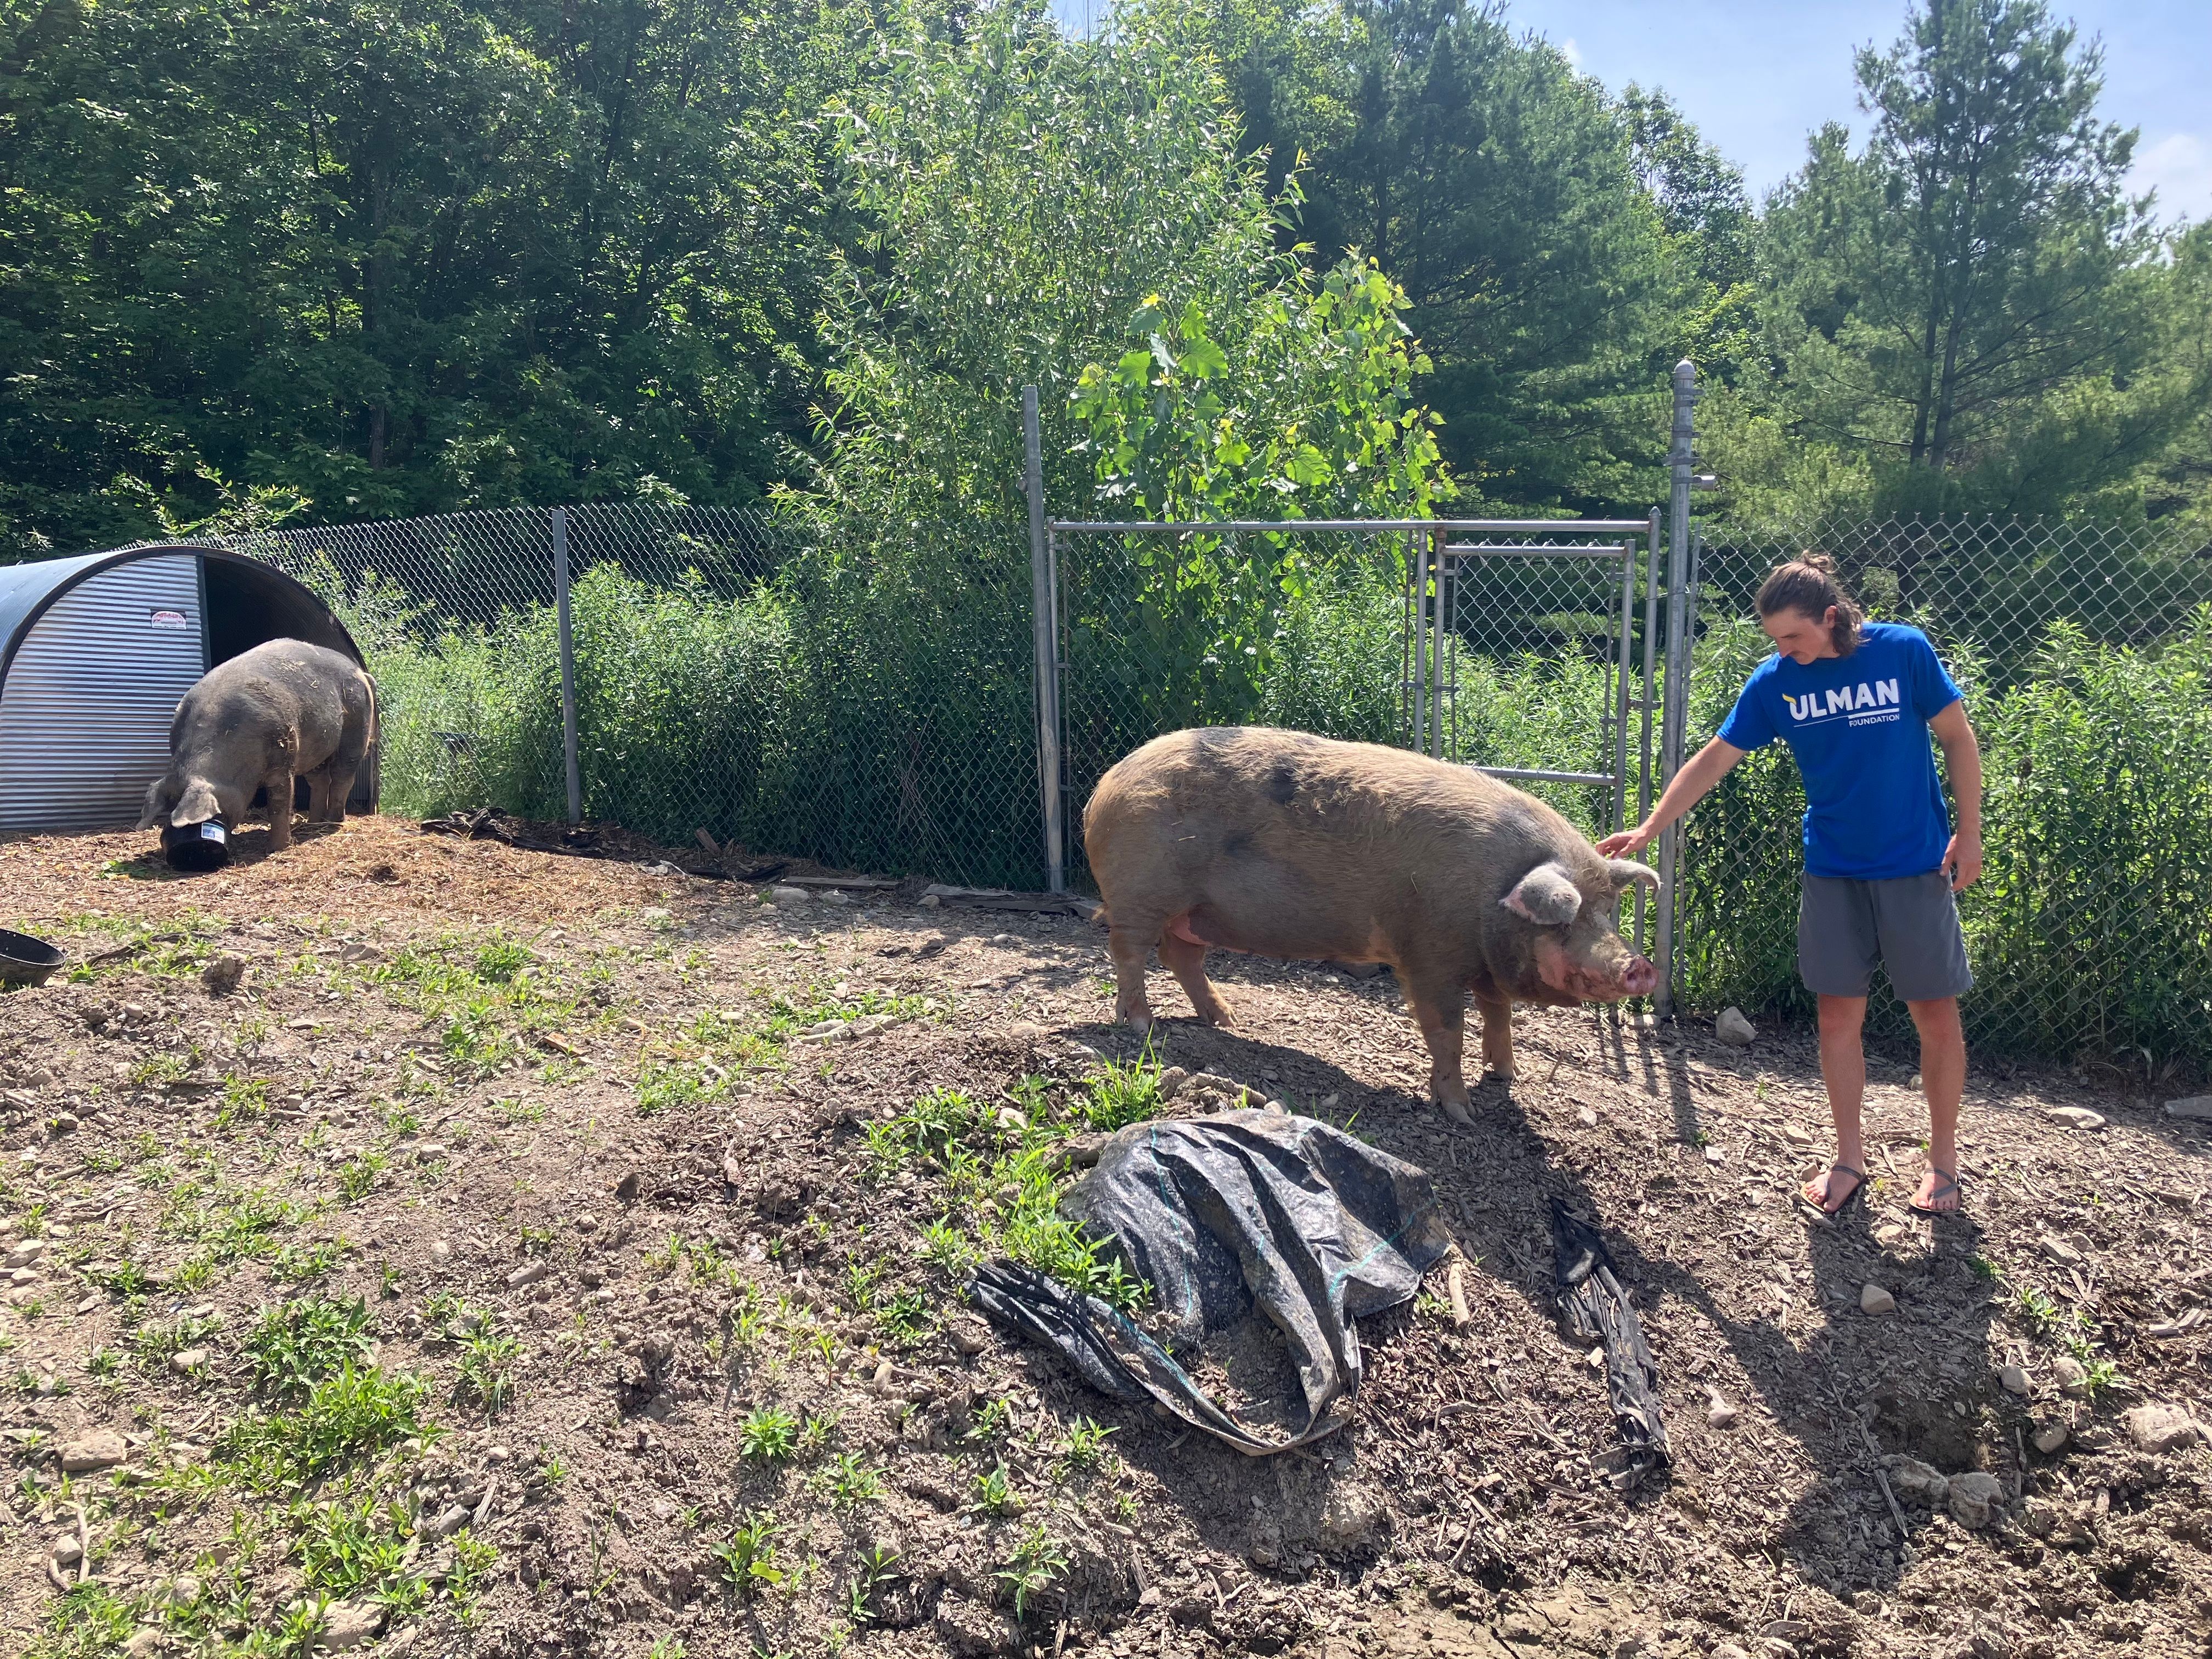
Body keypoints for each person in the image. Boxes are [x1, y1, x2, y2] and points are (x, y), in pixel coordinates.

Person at [1596, 555, 1982, 1217]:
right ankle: (1848, 1159)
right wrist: (1652, 825)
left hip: (1915, 866)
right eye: (1775, 640)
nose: (1784, 651)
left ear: (1830, 617)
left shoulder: (1903, 651)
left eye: (1793, 637)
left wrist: (1969, 833)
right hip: (1832, 870)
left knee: (1936, 1017)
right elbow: (1715, 758)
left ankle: (1943, 1165)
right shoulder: (1776, 682)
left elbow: (1957, 738)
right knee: (1837, 1017)